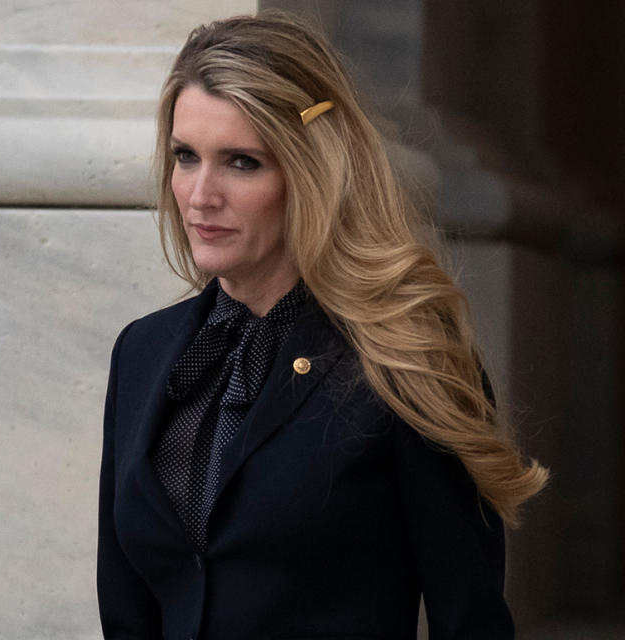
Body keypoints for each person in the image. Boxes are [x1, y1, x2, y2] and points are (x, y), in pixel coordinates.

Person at [97, 12, 548, 640]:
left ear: (311, 170)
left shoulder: (405, 359)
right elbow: (127, 614)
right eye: (185, 157)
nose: (200, 195)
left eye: (241, 162)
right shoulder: (142, 352)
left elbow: (469, 619)